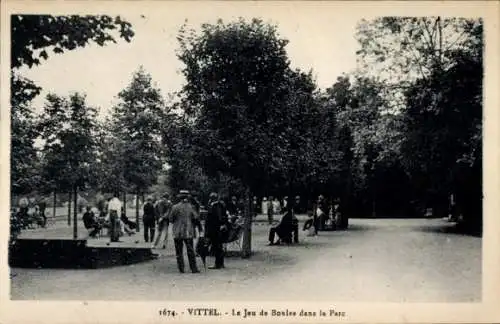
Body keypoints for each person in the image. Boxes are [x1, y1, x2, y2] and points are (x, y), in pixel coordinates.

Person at [169, 190, 201, 273]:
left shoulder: (174, 207)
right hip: (188, 232)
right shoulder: (191, 207)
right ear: (188, 197)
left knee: (179, 251)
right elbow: (196, 217)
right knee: (190, 250)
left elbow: (171, 219)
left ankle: (181, 268)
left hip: (177, 232)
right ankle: (193, 268)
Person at [205, 192, 228, 269]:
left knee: (216, 246)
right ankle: (221, 263)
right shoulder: (221, 205)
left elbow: (212, 219)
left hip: (215, 229)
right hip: (219, 228)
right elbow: (224, 216)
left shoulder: (214, 206)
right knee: (219, 246)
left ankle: (217, 264)